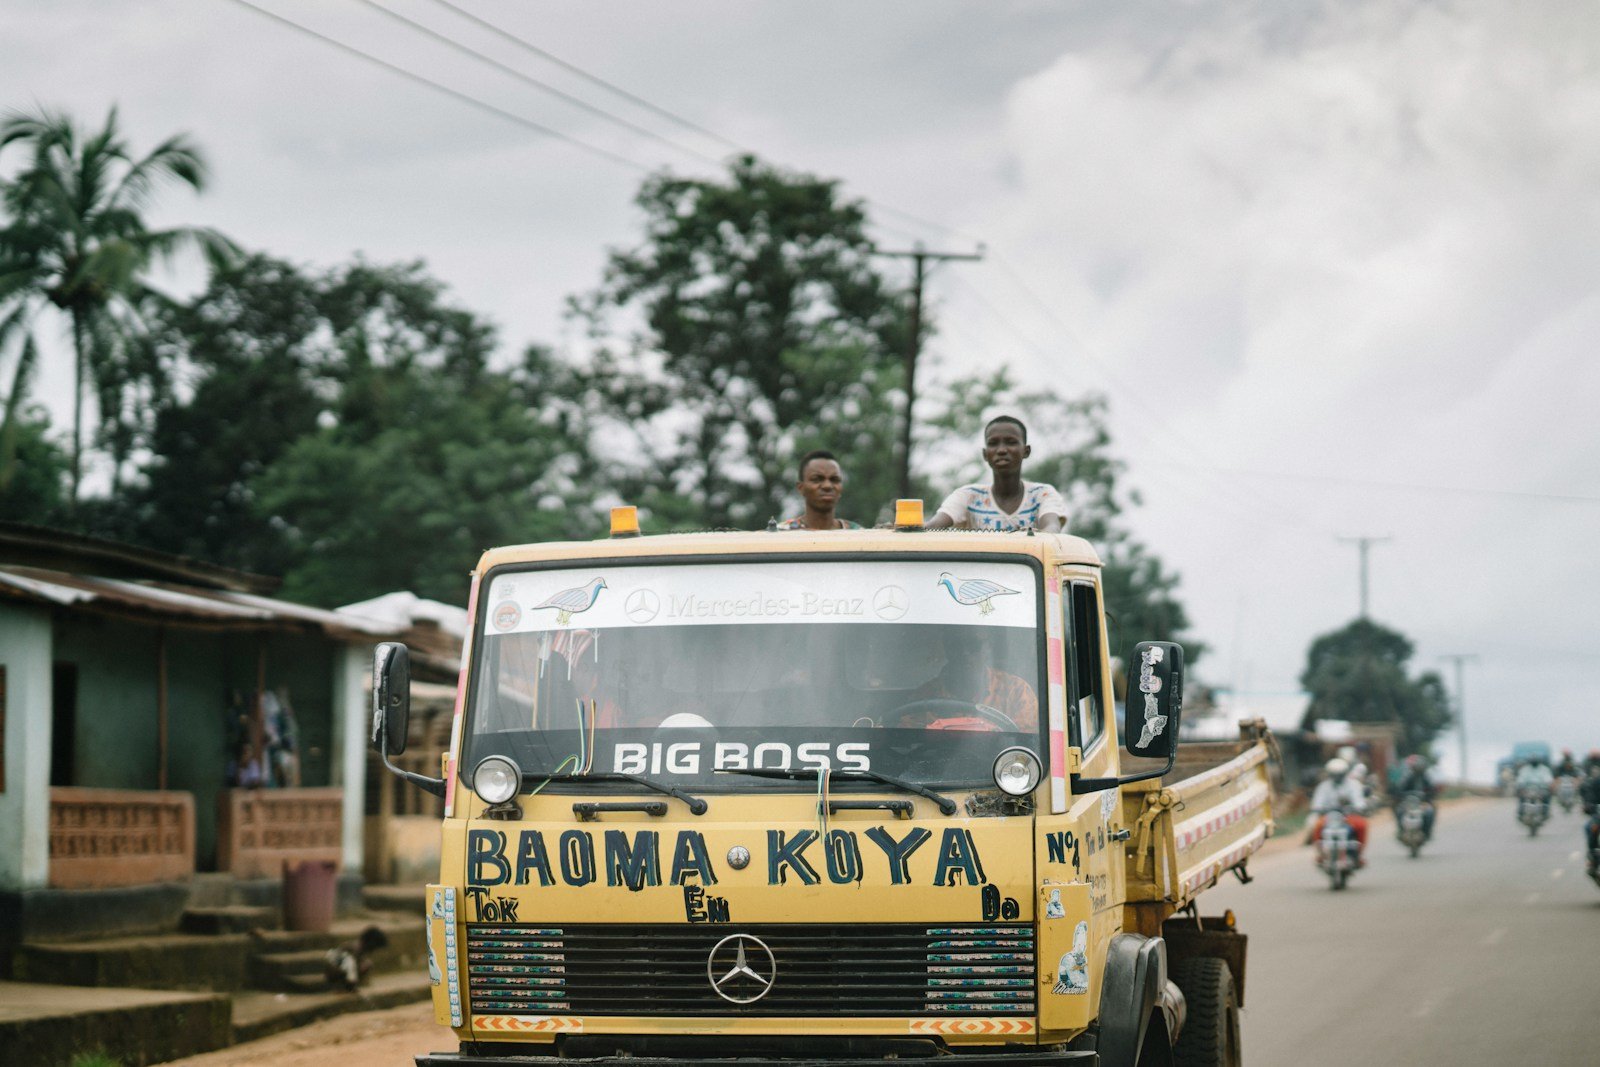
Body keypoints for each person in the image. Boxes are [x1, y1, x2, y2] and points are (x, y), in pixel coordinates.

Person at [926, 416, 1068, 533]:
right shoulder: (968, 496)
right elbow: (933, 527)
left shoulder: (1042, 494)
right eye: (993, 443)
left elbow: (1052, 528)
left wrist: (1040, 534)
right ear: (985, 454)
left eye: (1011, 442)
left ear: (1026, 451)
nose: (1001, 450)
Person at [901, 633, 1038, 732]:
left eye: (973, 644)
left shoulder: (1017, 690)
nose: (964, 652)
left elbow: (1026, 739)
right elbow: (907, 740)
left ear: (987, 648)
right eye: (956, 645)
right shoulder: (923, 697)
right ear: (947, 649)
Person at [775, 450, 863, 531]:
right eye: (817, 479)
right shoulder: (780, 534)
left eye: (834, 479)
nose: (827, 486)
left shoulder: (859, 534)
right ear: (801, 488)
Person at [1309, 757, 1369, 855]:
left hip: (1349, 816)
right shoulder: (1323, 786)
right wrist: (1317, 809)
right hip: (1329, 817)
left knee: (1362, 825)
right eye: (1334, 774)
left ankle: (1359, 854)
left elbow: (1359, 802)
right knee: (1317, 826)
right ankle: (1320, 854)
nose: (1337, 777)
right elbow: (1317, 803)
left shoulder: (1353, 785)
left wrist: (1359, 807)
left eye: (1339, 774)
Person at [1393, 754, 1438, 840]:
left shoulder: (1426, 777)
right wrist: (1401, 794)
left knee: (1430, 812)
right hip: (1409, 803)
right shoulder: (1408, 777)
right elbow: (1400, 788)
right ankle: (1401, 829)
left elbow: (1432, 789)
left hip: (1423, 803)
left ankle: (1427, 831)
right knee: (1399, 811)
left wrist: (1429, 795)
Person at [1581, 762, 1600, 875]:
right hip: (1599, 814)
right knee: (1589, 827)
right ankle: (1592, 856)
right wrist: (1588, 805)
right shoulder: (1596, 782)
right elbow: (1590, 795)